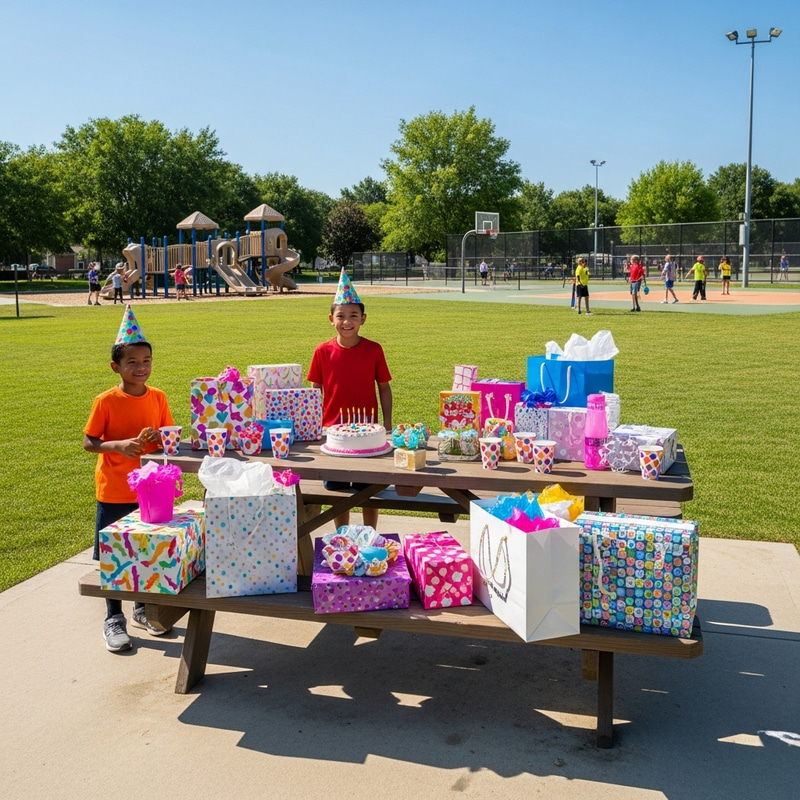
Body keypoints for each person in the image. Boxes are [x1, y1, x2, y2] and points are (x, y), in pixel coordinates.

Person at [83, 305, 175, 652]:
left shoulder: (159, 397)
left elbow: (168, 435)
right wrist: (118, 445)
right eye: (133, 362)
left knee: (145, 552)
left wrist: (158, 435)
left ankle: (142, 608)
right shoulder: (105, 401)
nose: (141, 368)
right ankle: (113, 617)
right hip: (115, 490)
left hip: (151, 491)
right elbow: (89, 442)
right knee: (113, 556)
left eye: (146, 361)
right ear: (116, 367)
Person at [307, 269, 392, 531]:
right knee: (338, 490)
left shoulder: (374, 349)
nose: (347, 322)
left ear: (363, 319)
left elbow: (384, 388)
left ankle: (370, 533)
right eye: (341, 316)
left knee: (369, 489)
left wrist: (387, 424)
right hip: (333, 433)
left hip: (369, 433)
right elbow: (314, 392)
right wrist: (313, 426)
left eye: (353, 316)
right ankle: (342, 534)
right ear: (330, 319)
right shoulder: (322, 351)